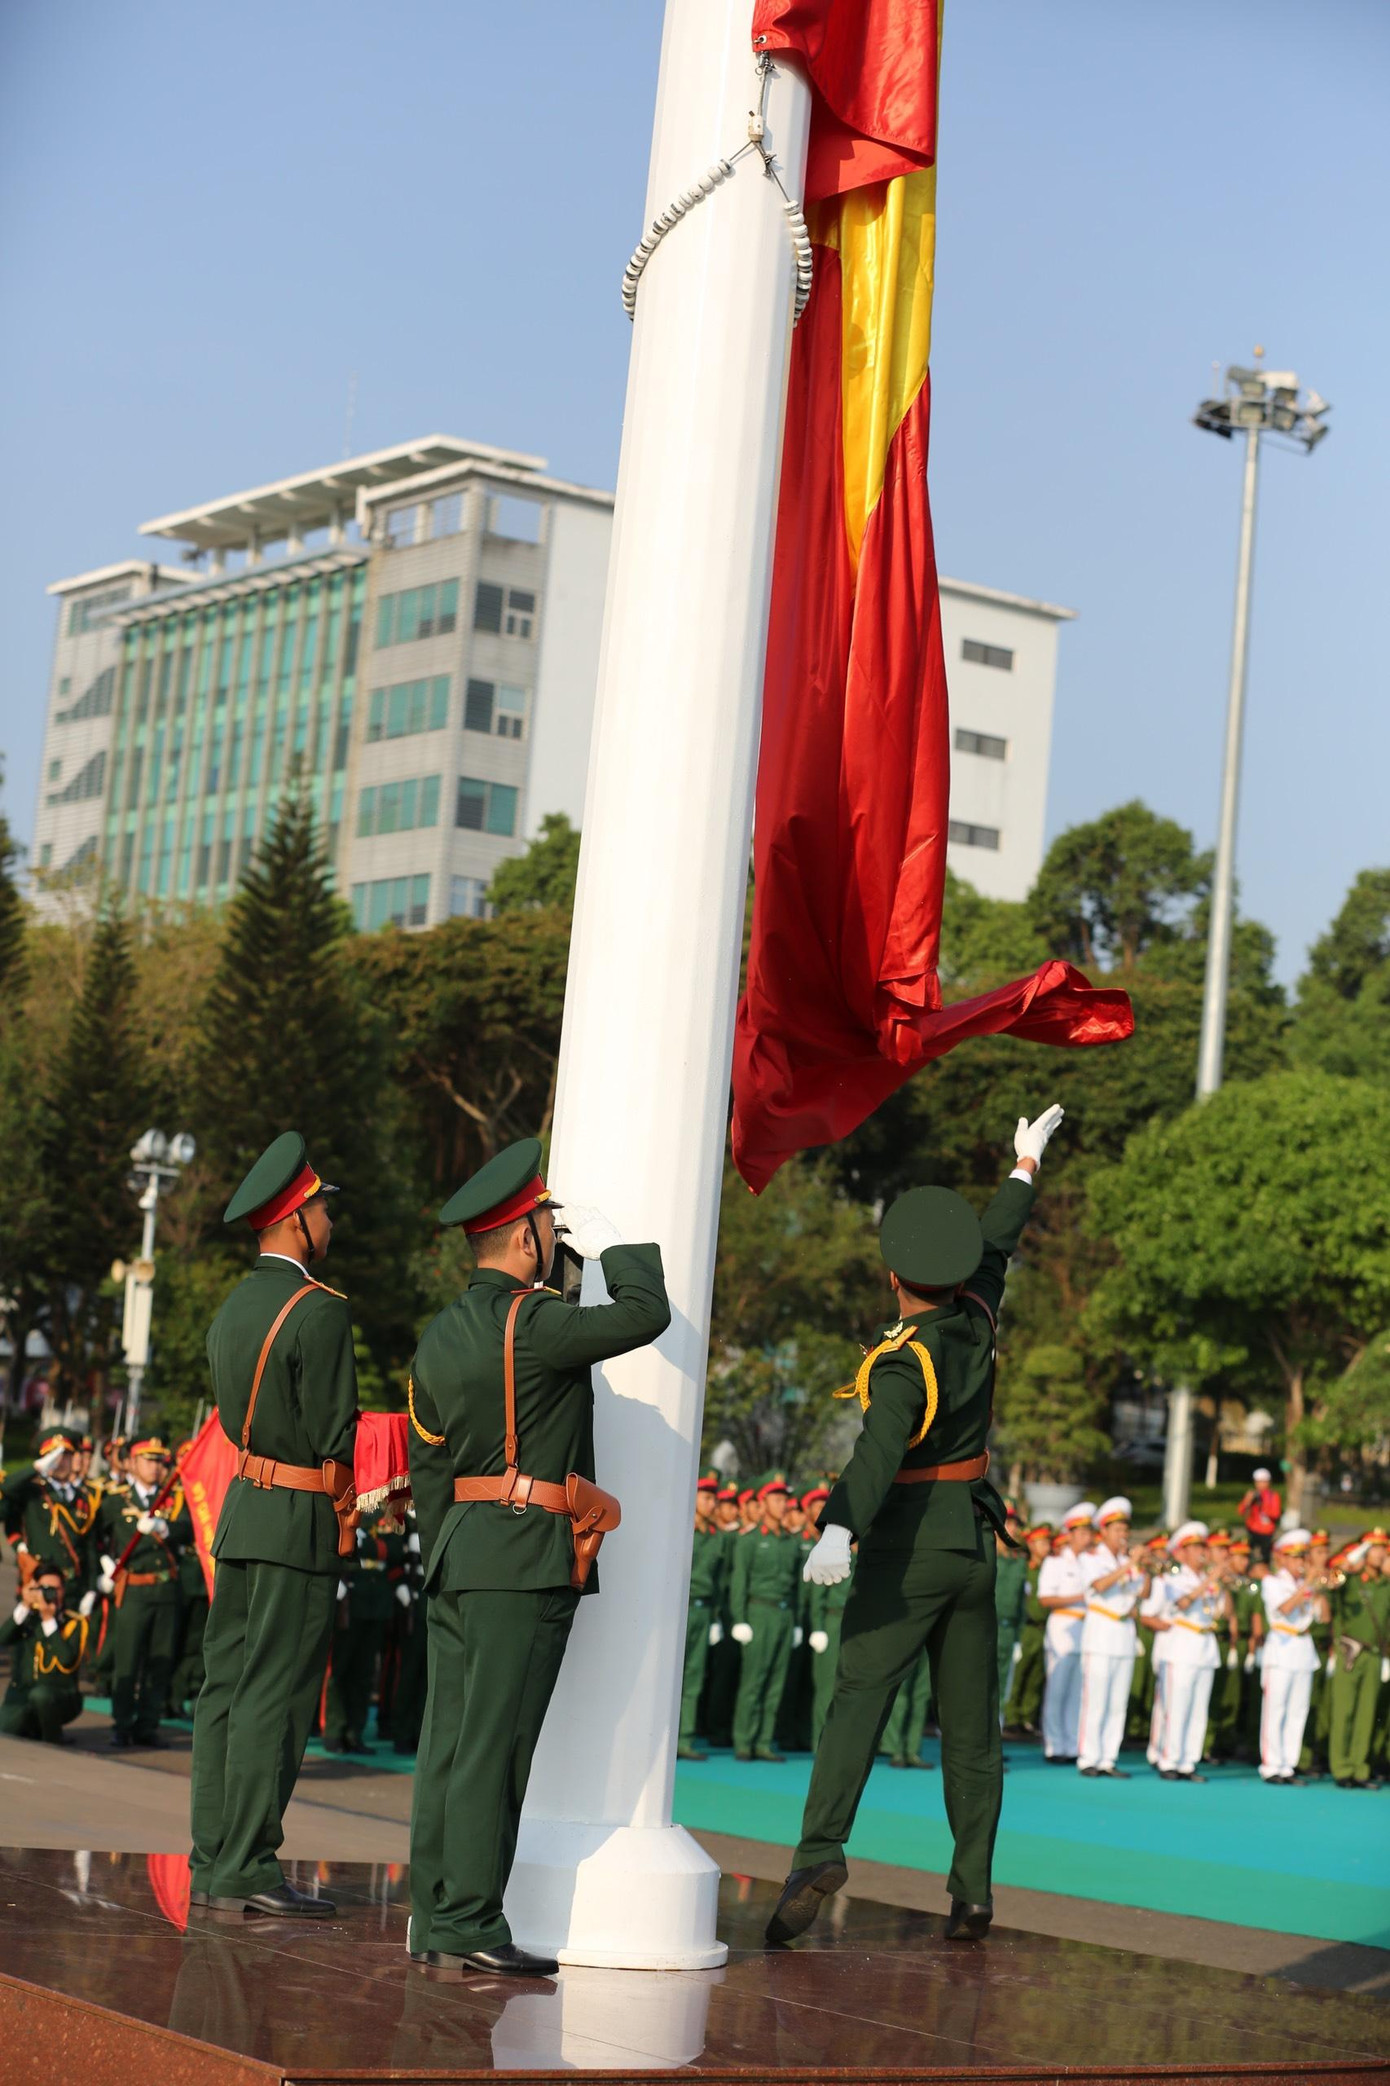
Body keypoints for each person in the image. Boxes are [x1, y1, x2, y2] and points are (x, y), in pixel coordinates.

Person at [767, 1102, 1065, 1949]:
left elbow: (877, 1451)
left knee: (857, 1703)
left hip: (909, 1547)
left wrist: (839, 1527)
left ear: (894, 1275)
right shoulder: (977, 1315)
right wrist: (1023, 1168)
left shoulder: (906, 1359)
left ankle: (817, 1855)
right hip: (972, 1544)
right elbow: (997, 1243)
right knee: (971, 1730)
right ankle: (972, 1892)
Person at [405, 1137, 669, 1978]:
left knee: (449, 1744)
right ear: (527, 1237)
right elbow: (646, 1314)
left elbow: (429, 1466)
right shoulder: (538, 1320)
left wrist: (448, 1551)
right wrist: (618, 1248)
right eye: (550, 1225)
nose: (555, 1237)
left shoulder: (440, 1335)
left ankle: (433, 1915)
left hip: (460, 1553)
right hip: (523, 1558)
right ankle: (470, 1919)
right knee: (497, 1747)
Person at [189, 1131, 359, 1920]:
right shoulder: (318, 1312)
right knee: (277, 1694)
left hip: (244, 1510)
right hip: (296, 1519)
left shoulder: (234, 1308)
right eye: (324, 1210)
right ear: (295, 1219)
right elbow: (334, 1433)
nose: (331, 1222)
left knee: (223, 1689)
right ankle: (249, 1865)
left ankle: (211, 1856)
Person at [95, 1435, 187, 1749]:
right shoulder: (115, 1500)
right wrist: (104, 1564)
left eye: (159, 1461)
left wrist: (165, 1528)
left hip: (166, 1588)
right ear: (132, 1463)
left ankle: (147, 1725)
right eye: (148, 1460)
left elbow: (190, 1529)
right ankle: (121, 1725)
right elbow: (93, 1537)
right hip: (133, 1589)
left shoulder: (174, 1498)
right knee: (128, 1659)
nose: (155, 1467)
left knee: (160, 1661)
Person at [729, 1472, 804, 1762]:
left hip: (783, 1615)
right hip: (758, 1612)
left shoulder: (790, 1542)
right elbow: (739, 1581)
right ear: (762, 1503)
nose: (783, 1504)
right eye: (776, 1499)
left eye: (784, 1499)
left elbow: (796, 1587)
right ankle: (744, 1741)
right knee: (753, 1680)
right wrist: (739, 1619)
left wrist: (797, 1622)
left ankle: (763, 1741)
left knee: (775, 1682)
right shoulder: (749, 1540)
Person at [1076, 1497, 1147, 1778]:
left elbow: (1144, 1593)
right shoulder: (1091, 1558)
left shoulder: (1127, 1561)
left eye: (1125, 1530)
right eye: (1117, 1529)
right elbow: (1100, 1585)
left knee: (1118, 1703)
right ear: (1103, 1531)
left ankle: (1108, 1757)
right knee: (1096, 1700)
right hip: (1100, 1634)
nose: (1122, 1535)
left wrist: (1142, 1566)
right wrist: (1130, 1565)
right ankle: (1088, 1758)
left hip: (1124, 1635)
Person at [1153, 1521, 1229, 1780]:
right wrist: (1210, 1580)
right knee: (1177, 1707)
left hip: (1205, 1648)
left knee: (1198, 1710)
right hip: (1181, 1647)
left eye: (1202, 1547)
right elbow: (1183, 1603)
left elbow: (1225, 1613)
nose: (1201, 1552)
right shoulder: (1173, 1577)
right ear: (1182, 1552)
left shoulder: (1207, 1579)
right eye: (1195, 1548)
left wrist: (1222, 1584)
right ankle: (1169, 1760)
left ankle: (1188, 1761)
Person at [1258, 1528, 1327, 1782]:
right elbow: (1285, 1609)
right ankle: (1271, 1765)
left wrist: (1318, 1588)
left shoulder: (1304, 1584)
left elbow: (1324, 1617)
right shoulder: (1272, 1582)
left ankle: (1288, 1765)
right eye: (1296, 1557)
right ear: (1282, 1558)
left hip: (1303, 1650)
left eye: (1303, 1557)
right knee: (1275, 1710)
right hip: (1281, 1649)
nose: (1301, 1562)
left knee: (1298, 1711)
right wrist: (1308, 1584)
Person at [1328, 1527, 1390, 1789]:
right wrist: (1347, 1564)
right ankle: (1341, 1768)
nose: (1381, 1553)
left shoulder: (1386, 1584)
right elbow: (1330, 1582)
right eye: (1375, 1548)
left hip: (1375, 1655)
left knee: (1367, 1714)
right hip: (1350, 1653)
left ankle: (1359, 1769)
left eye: (1383, 1548)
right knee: (1345, 1711)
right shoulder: (1352, 1580)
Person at [0, 1565, 88, 1744]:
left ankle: (52, 1739)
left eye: (55, 1589)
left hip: (59, 1696)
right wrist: (24, 1605)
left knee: (41, 1695)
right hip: (22, 1696)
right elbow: (2, 1639)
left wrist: (49, 1621)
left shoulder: (74, 1622)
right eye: (44, 1588)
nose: (50, 1594)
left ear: (63, 1590)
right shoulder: (27, 1618)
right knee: (5, 1729)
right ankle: (32, 1729)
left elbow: (67, 1660)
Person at [1038, 1503, 1095, 1762]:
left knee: (1077, 1693)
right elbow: (1045, 1599)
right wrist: (1079, 1597)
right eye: (1081, 1532)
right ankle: (1053, 1745)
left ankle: (1072, 1744)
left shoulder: (1090, 1562)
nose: (1086, 1537)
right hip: (1063, 1628)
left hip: (1087, 1630)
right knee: (1057, 1690)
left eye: (1088, 1532)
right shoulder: (1055, 1562)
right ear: (1069, 1534)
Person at [678, 1468, 728, 1761]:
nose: (711, 1503)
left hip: (703, 1609)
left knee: (694, 1677)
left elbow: (719, 1580)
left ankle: (684, 1739)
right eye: (706, 1497)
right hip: (680, 1610)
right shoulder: (681, 1531)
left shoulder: (716, 1537)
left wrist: (717, 1617)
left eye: (713, 1498)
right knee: (671, 1675)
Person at [1003, 1524, 1052, 1735]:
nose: (1047, 1547)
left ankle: (1027, 1717)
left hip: (1044, 1628)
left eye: (1048, 1543)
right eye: (1042, 1543)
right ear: (1031, 1545)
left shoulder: (1049, 1569)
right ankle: (1011, 1716)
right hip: (1027, 1627)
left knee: (1036, 1675)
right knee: (1018, 1673)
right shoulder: (1025, 1568)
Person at [993, 1507, 1029, 1730]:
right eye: (1008, 1523)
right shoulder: (985, 1555)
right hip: (985, 1627)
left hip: (1007, 1631)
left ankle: (994, 1733)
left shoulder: (1019, 1562)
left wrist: (1018, 1638)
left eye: (1015, 1524)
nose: (1013, 1529)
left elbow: (1020, 1605)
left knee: (1002, 1685)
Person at [1237, 1468, 1282, 1564]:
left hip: (1267, 1532)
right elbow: (1241, 1511)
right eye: (1258, 1482)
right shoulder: (1252, 1494)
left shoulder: (1273, 1496)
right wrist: (1248, 1501)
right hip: (1252, 1530)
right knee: (1249, 1554)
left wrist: (1263, 1505)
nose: (1261, 1485)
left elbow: (1276, 1514)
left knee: (1265, 1556)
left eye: (1264, 1482)